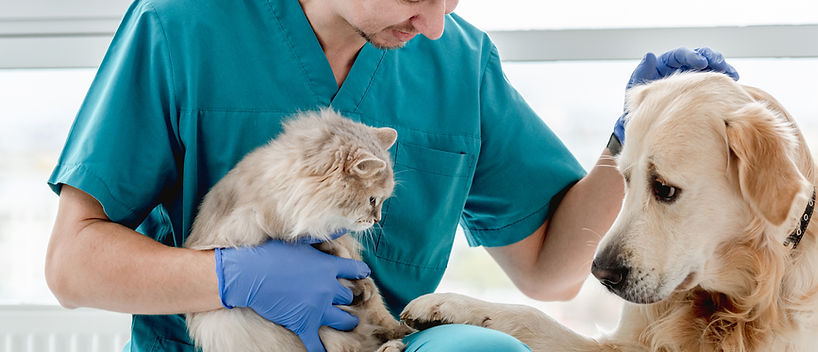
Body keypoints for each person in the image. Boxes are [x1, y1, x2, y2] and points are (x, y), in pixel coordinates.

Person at [44, 0, 738, 351]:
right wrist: (233, 276)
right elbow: (72, 264)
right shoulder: (182, 26)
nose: (435, 26)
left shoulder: (457, 62)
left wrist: (628, 142)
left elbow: (549, 269)